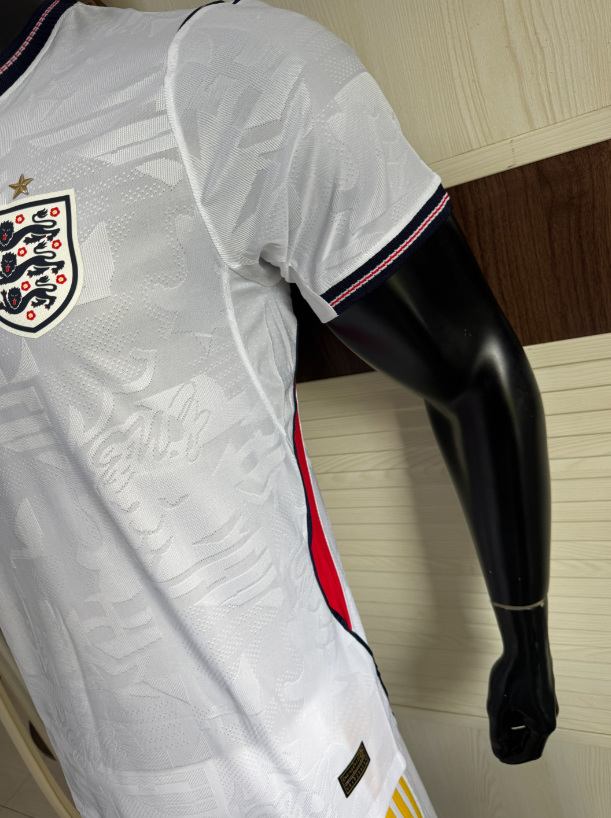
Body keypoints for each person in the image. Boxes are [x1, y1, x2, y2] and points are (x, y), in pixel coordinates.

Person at [0, 1, 557, 817]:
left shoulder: (209, 72)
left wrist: (523, 632)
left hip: (298, 760)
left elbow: (472, 371)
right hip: (94, 774)